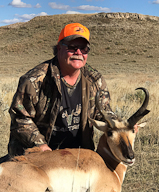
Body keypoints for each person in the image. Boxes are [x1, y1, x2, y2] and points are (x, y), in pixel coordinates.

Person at [8, 22, 117, 156]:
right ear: (59, 48)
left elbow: (104, 112)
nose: (78, 53)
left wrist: (122, 126)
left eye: (84, 48)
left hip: (77, 155)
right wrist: (41, 145)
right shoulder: (35, 80)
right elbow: (20, 118)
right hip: (39, 153)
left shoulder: (95, 80)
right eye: (72, 47)